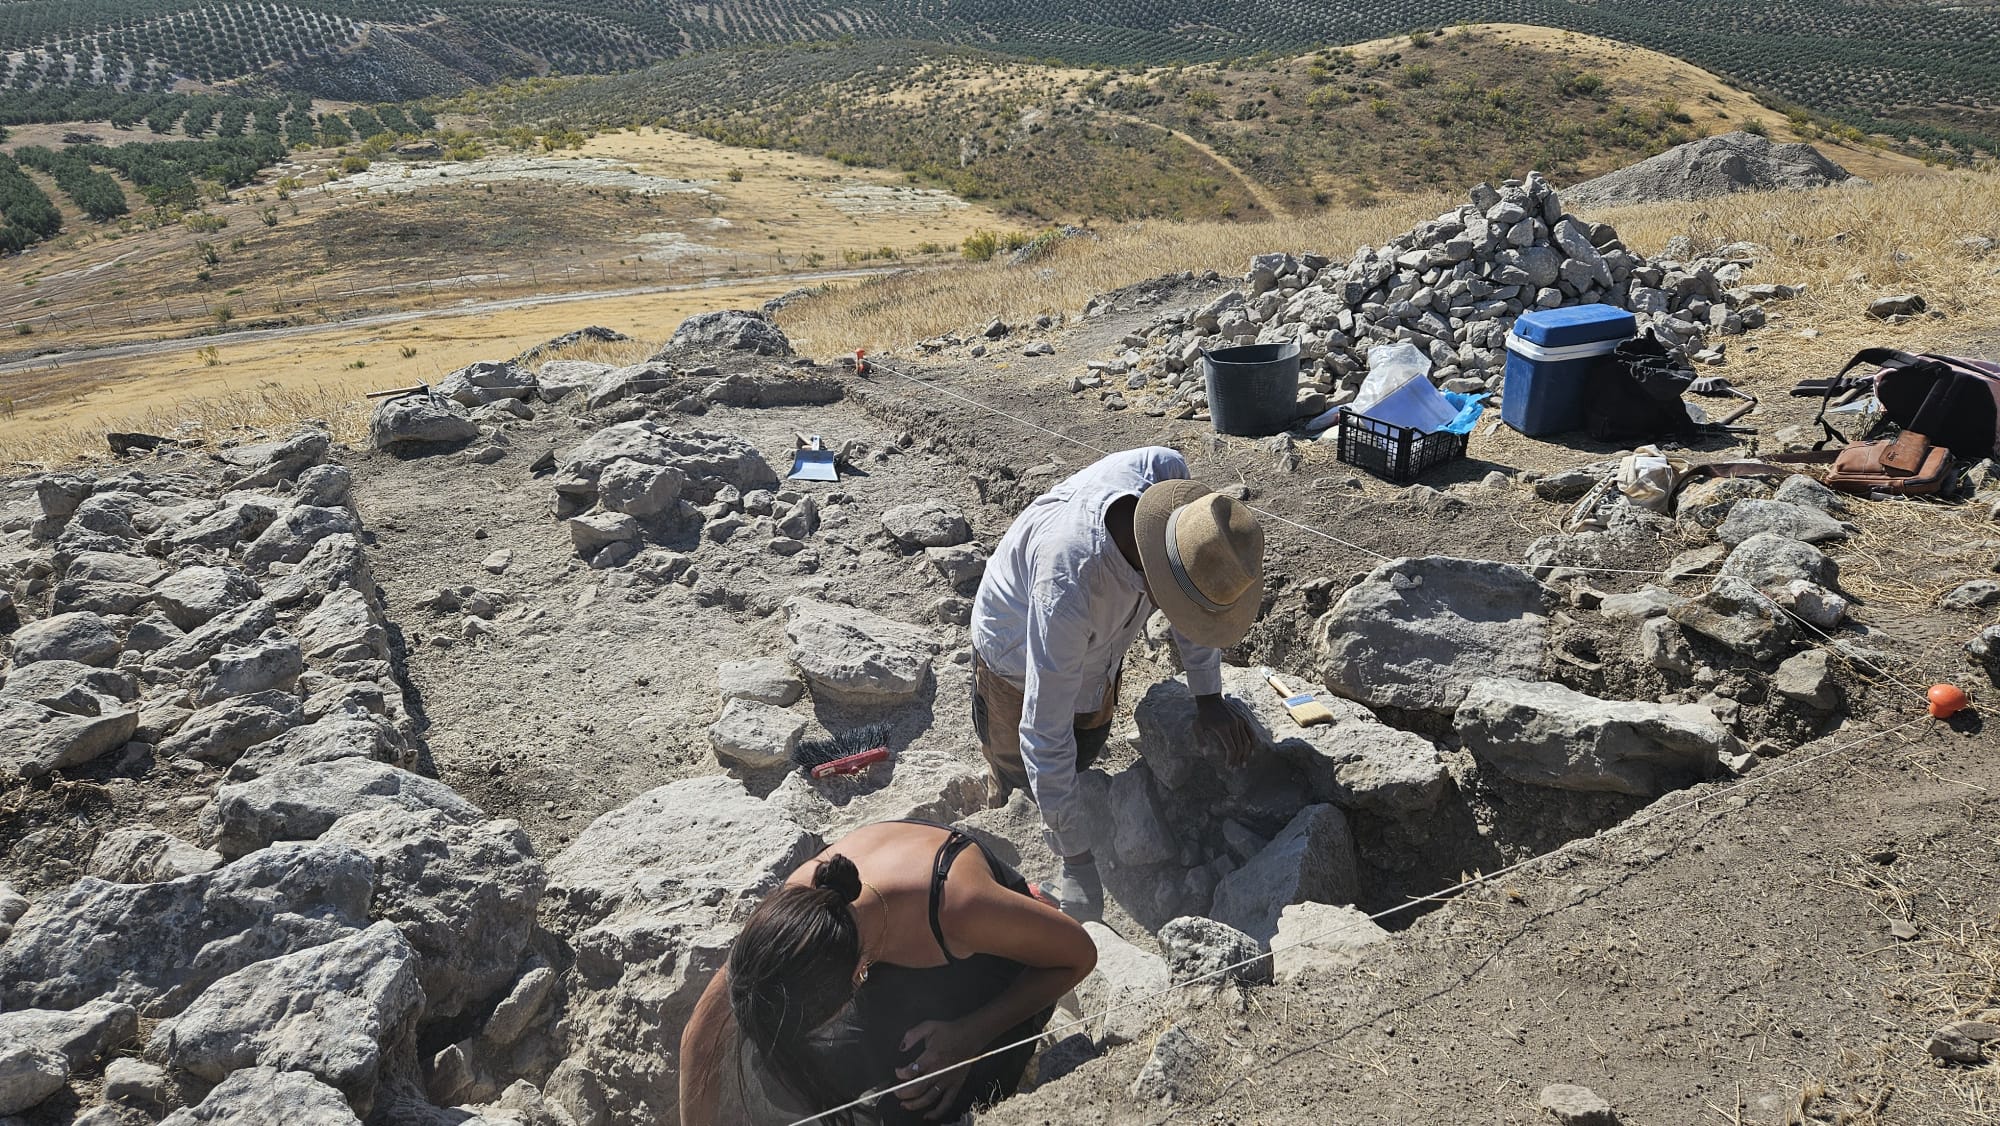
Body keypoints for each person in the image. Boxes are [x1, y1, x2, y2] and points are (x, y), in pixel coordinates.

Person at [970, 446, 1265, 921]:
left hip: (1092, 650)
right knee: (1018, 769)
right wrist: (1076, 859)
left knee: (1083, 748)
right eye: (1177, 606)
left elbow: (1195, 590)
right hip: (1014, 656)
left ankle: (1058, 805)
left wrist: (1208, 696)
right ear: (1155, 578)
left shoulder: (1173, 489)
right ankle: (1004, 835)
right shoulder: (1070, 587)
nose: (1180, 616)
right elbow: (1043, 730)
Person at [678, 820, 1097, 1125]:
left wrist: (969, 1038)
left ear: (854, 979)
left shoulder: (958, 908)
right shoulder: (798, 916)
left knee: (915, 1110)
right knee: (793, 1068)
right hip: (902, 972)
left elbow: (1078, 955)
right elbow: (702, 1031)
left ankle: (1031, 908)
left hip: (1000, 975)